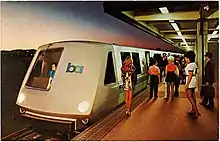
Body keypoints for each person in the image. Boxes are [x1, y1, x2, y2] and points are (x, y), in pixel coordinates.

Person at [184, 51, 201, 119]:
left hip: (190, 80)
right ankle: (193, 110)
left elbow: (190, 74)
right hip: (193, 80)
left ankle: (196, 111)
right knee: (192, 96)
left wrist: (187, 84)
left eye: (186, 58)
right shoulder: (194, 64)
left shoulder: (190, 65)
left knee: (189, 96)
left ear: (189, 58)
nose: (185, 59)